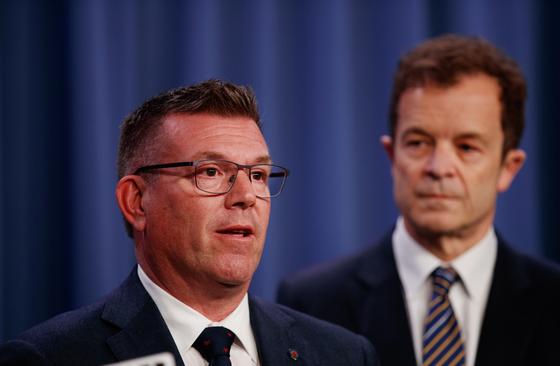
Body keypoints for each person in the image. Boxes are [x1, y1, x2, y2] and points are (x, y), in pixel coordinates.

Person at [277, 35, 560, 366]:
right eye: (418, 142)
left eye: (467, 147)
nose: (439, 168)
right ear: (391, 156)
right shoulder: (310, 303)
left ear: (509, 167)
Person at [0, 80, 379, 366]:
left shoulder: (344, 354)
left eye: (259, 174)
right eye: (211, 172)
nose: (245, 195)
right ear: (136, 201)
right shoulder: (49, 358)